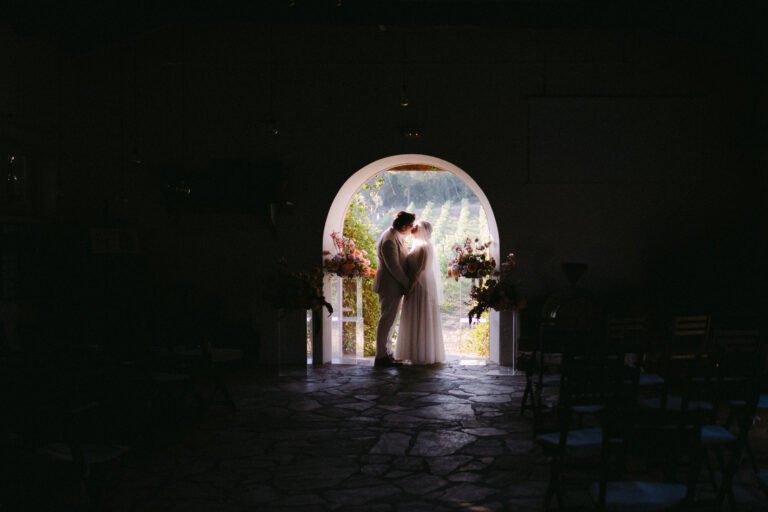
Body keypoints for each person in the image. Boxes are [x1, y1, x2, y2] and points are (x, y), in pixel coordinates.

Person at [395, 220, 445, 365]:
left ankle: (423, 353)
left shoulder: (425, 246)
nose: (413, 228)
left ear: (422, 230)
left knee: (422, 314)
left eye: (416, 226)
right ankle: (413, 351)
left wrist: (410, 287)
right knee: (414, 316)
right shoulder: (417, 244)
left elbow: (421, 270)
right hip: (415, 284)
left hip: (421, 286)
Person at [373, 211, 415, 367]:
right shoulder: (389, 240)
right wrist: (407, 283)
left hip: (393, 286)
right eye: (411, 226)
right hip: (389, 286)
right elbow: (394, 268)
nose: (412, 228)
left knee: (390, 321)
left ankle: (387, 353)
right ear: (404, 226)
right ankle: (381, 356)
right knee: (386, 321)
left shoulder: (395, 235)